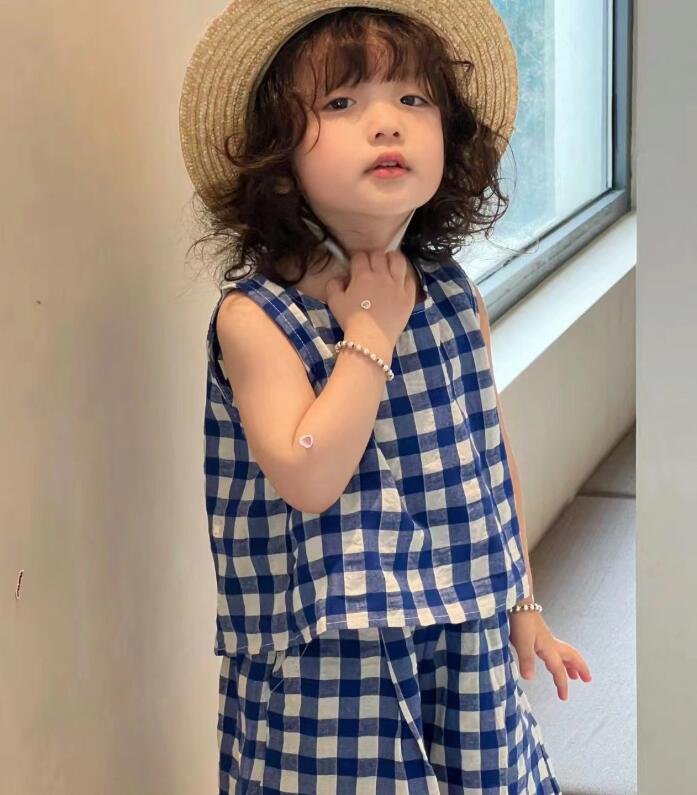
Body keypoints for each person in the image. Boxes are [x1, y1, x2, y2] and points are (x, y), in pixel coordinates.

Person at [179, 2, 592, 793]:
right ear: (277, 157)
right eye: (341, 102)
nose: (386, 123)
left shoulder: (451, 293)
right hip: (331, 660)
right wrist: (368, 329)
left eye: (412, 98)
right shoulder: (257, 317)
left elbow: (487, 456)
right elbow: (309, 476)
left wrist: (520, 600)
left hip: (461, 633)